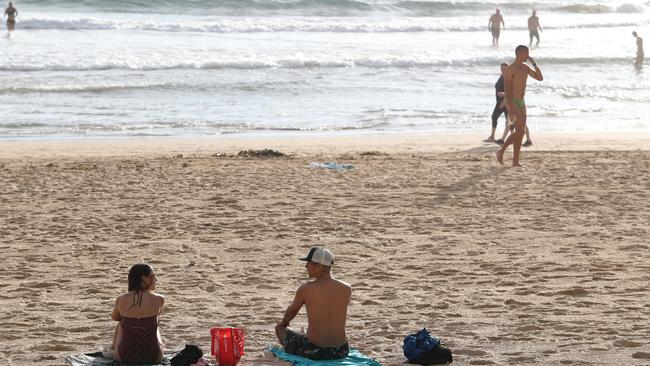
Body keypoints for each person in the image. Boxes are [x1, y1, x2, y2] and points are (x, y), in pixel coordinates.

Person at [275, 247, 352, 360]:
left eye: (308, 263)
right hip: (341, 351)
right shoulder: (347, 288)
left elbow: (291, 313)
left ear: (318, 265)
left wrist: (284, 324)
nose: (306, 266)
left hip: (315, 351)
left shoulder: (306, 289)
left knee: (280, 328)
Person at [496, 45, 543, 167]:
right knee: (520, 130)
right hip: (512, 101)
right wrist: (510, 108)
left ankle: (515, 161)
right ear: (520, 53)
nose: (528, 56)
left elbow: (540, 78)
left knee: (520, 133)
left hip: (522, 102)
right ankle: (501, 151)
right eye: (526, 53)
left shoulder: (525, 67)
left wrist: (534, 64)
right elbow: (507, 88)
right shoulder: (510, 69)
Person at [111, 263, 165, 364]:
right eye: (152, 276)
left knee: (121, 322)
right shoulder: (159, 299)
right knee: (153, 322)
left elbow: (115, 318)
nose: (156, 280)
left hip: (124, 356)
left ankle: (113, 348)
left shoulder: (121, 299)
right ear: (143, 278)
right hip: (153, 356)